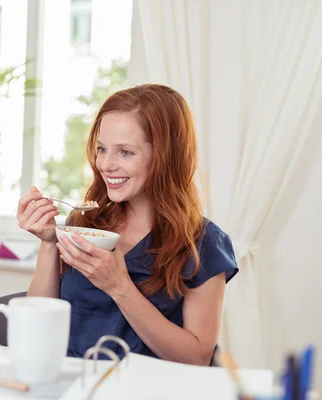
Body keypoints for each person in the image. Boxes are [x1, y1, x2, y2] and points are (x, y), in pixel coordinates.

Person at [16, 84, 238, 366]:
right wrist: (49, 242)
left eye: (125, 152)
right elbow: (39, 322)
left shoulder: (203, 243)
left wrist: (119, 286)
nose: (106, 165)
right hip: (71, 386)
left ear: (165, 156)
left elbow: (196, 357)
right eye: (102, 149)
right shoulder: (84, 223)